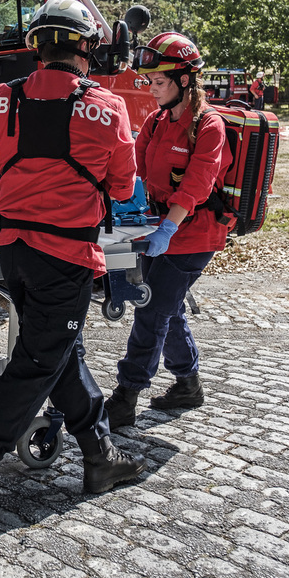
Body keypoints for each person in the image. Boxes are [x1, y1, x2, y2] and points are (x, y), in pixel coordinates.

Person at [0, 0, 145, 524]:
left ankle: (99, 456)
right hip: (65, 254)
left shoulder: (3, 99)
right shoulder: (108, 108)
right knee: (38, 362)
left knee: (59, 352)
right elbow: (123, 185)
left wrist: (8, 157)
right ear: (86, 48)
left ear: (37, 47)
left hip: (14, 251)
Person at [104, 32, 231, 429]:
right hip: (159, 227)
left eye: (160, 82)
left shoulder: (209, 127)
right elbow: (134, 169)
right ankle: (188, 383)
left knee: (153, 307)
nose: (153, 90)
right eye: (151, 82)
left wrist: (168, 228)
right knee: (169, 306)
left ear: (185, 81)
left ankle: (126, 396)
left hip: (194, 234)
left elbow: (197, 184)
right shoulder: (157, 122)